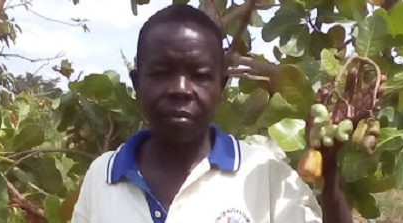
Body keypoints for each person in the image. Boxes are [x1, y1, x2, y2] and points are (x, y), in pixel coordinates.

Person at [71, 4, 356, 223]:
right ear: (137, 84)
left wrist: (329, 175)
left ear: (220, 87)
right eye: (161, 73)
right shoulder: (102, 176)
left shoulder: (263, 172)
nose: (180, 89)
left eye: (199, 75)